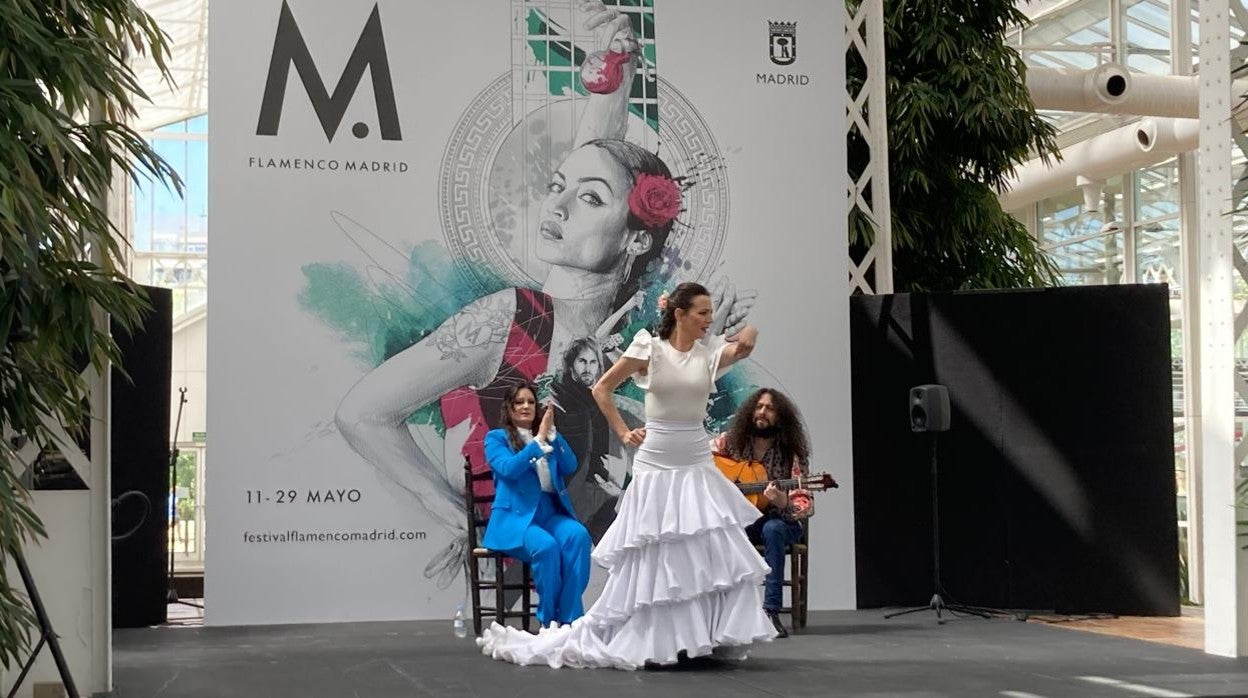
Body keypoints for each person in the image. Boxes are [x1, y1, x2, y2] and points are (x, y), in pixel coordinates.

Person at [332, 1, 756, 588]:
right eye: (556, 187)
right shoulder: (512, 319)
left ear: (636, 237)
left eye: (587, 198)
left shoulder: (637, 330)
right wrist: (458, 519)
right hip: (544, 565)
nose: (554, 206)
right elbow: (363, 412)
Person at [476, 282, 777, 669]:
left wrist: (739, 331)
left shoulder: (709, 353)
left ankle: (697, 636)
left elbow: (747, 343)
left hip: (696, 461)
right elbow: (603, 388)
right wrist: (621, 431)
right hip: (657, 461)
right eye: (702, 312)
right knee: (658, 548)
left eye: (711, 311)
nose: (709, 318)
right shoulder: (648, 348)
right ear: (679, 314)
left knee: (700, 545)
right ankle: (655, 636)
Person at [482, 383, 591, 626]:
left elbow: (570, 466)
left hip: (551, 512)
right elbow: (509, 469)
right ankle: (549, 621)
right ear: (509, 408)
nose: (526, 407)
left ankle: (571, 618)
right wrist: (538, 440)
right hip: (517, 519)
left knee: (578, 536)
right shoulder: (495, 439)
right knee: (547, 547)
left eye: (531, 402)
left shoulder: (547, 436)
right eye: (519, 402)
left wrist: (553, 435)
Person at [711, 388, 813, 638]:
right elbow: (701, 461)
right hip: (742, 520)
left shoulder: (792, 453)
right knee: (718, 531)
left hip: (781, 521)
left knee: (774, 529)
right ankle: (721, 614)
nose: (762, 412)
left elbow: (806, 503)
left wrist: (783, 503)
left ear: (780, 416)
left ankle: (770, 612)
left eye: (769, 408)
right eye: (758, 407)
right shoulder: (729, 442)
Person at [550, 338, 622, 540]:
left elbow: (600, 452)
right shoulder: (558, 396)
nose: (588, 368)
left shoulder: (596, 400)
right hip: (567, 487)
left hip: (593, 484)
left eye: (593, 362)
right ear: (571, 365)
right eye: (582, 361)